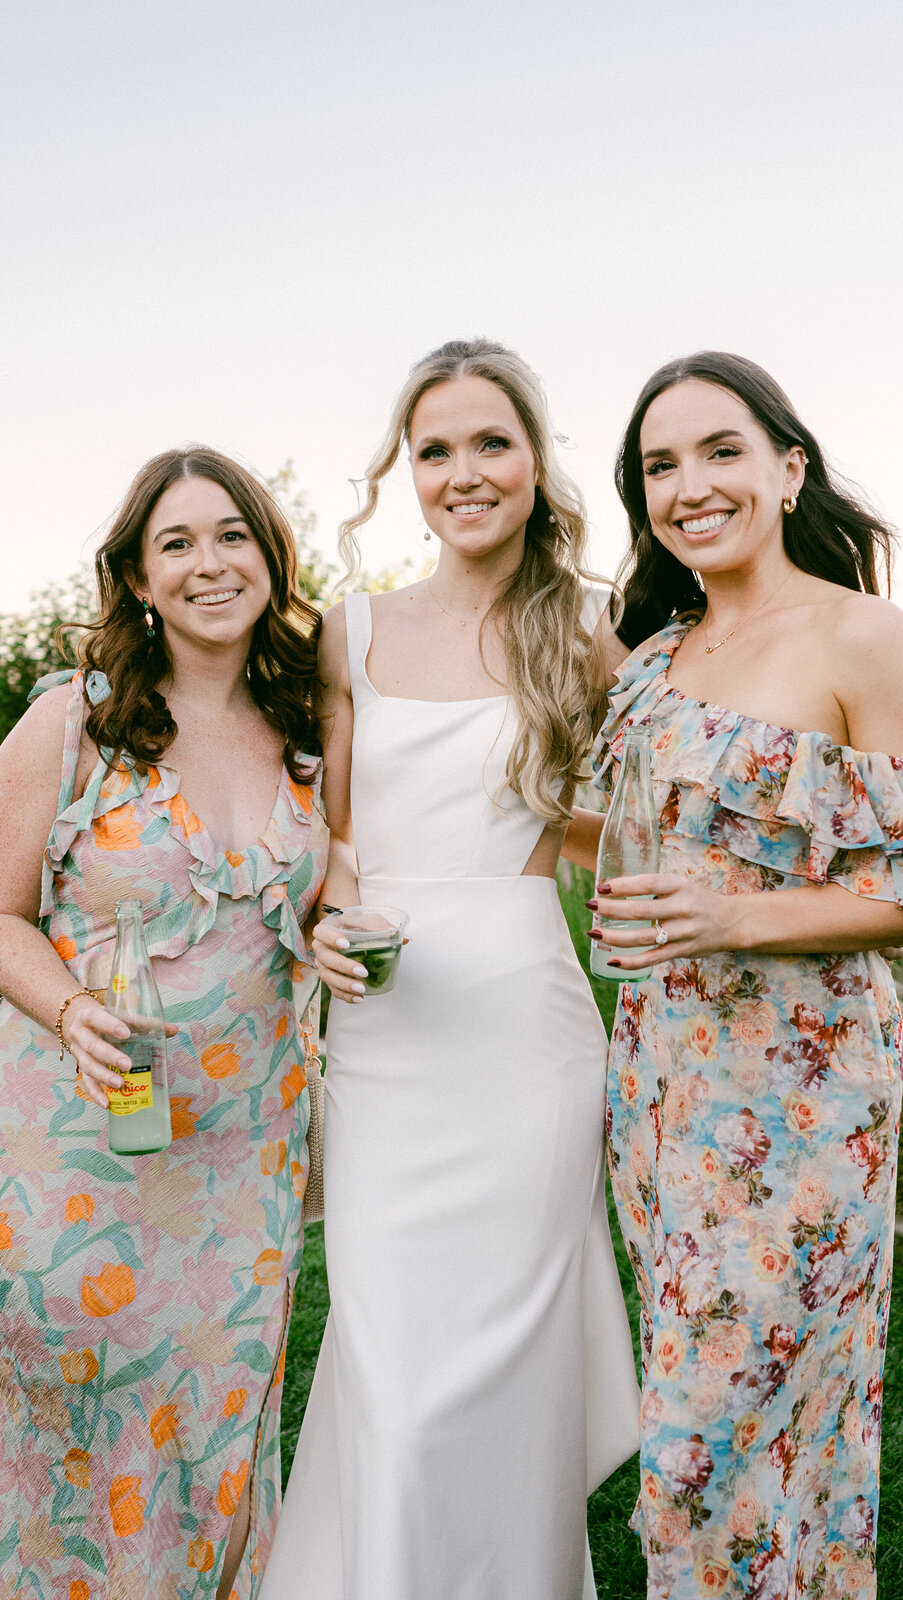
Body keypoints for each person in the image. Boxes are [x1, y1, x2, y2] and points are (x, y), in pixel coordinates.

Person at [563, 352, 903, 1600]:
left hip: (800, 1095)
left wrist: (734, 920)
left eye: (721, 451)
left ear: (789, 468)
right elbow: (624, 836)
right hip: (660, 1081)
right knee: (722, 1420)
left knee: (699, 1457)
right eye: (659, 465)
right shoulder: (653, 652)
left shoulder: (860, 634)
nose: (690, 485)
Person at [260, 340, 639, 1600]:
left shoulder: (589, 626)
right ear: (404, 472)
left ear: (536, 460)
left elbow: (639, 824)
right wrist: (327, 921)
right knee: (394, 1365)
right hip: (385, 1032)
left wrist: (551, 824)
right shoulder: (349, 630)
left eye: (492, 444)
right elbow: (338, 839)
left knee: (510, 1368)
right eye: (436, 450)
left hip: (526, 1037)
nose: (464, 472)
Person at [0, 447, 327, 1600]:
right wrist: (71, 1010)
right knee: (83, 1437)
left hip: (244, 1157)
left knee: (217, 1435)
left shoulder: (313, 729)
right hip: (71, 1149)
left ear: (270, 558)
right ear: (137, 575)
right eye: (177, 542)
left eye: (232, 536)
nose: (209, 563)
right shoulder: (76, 721)